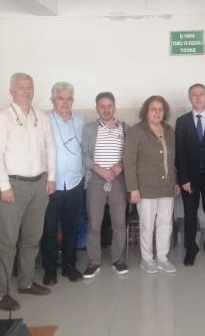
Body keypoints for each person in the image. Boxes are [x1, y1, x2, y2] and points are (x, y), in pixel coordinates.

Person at [0, 73, 56, 311]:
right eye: (21, 87)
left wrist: (51, 178)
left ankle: (26, 282)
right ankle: (0, 293)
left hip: (39, 185)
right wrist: (4, 186)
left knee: (32, 238)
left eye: (29, 87)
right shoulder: (1, 118)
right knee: (7, 242)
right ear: (11, 91)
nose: (26, 91)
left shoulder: (41, 117)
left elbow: (50, 148)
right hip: (12, 187)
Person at [125, 96, 180, 274]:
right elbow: (129, 162)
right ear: (146, 111)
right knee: (147, 225)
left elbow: (172, 160)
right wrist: (132, 188)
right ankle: (147, 259)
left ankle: (162, 258)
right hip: (145, 187)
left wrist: (176, 181)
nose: (157, 112)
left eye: (160, 109)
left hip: (167, 185)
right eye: (153, 109)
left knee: (165, 223)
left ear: (165, 112)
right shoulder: (136, 131)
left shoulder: (169, 131)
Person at [175, 84, 205, 266]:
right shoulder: (181, 121)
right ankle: (190, 249)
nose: (198, 97)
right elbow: (179, 152)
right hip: (190, 179)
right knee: (190, 214)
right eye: (194, 95)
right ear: (189, 98)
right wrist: (184, 178)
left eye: (201, 94)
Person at [41, 82, 85, 285]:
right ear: (52, 100)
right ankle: (50, 269)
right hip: (52, 184)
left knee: (72, 227)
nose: (65, 103)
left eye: (69, 99)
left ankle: (69, 265)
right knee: (49, 229)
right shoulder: (44, 120)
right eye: (61, 98)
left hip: (75, 183)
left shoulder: (79, 121)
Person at [81, 92, 128, 279]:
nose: (106, 109)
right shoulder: (89, 129)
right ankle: (94, 261)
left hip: (118, 181)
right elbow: (84, 155)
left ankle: (118, 259)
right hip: (96, 180)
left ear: (114, 107)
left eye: (109, 106)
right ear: (97, 108)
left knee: (119, 223)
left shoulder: (124, 128)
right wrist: (99, 170)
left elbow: (130, 154)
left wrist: (121, 165)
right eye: (102, 106)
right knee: (94, 223)